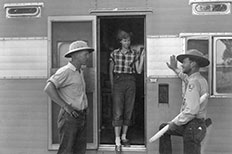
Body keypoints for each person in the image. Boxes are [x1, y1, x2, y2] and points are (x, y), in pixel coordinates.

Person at [44, 40, 94, 154]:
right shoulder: (65, 71)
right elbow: (48, 88)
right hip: (70, 117)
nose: (88, 57)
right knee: (66, 150)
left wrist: (85, 106)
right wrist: (65, 106)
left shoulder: (79, 71)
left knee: (79, 150)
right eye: (85, 54)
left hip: (81, 115)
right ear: (75, 55)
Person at [159, 49, 210, 154]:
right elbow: (185, 77)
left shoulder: (194, 83)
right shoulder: (197, 79)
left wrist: (175, 123)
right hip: (192, 125)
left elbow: (191, 111)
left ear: (193, 64)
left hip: (193, 126)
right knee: (163, 129)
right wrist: (174, 69)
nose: (182, 65)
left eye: (184, 62)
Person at [109, 30, 144, 153]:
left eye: (128, 40)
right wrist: (112, 86)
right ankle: (117, 139)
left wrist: (142, 57)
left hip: (130, 81)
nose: (127, 42)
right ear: (120, 41)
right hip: (118, 80)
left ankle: (124, 136)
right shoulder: (114, 53)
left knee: (128, 109)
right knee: (118, 111)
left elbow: (138, 71)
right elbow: (111, 72)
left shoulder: (134, 54)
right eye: (124, 40)